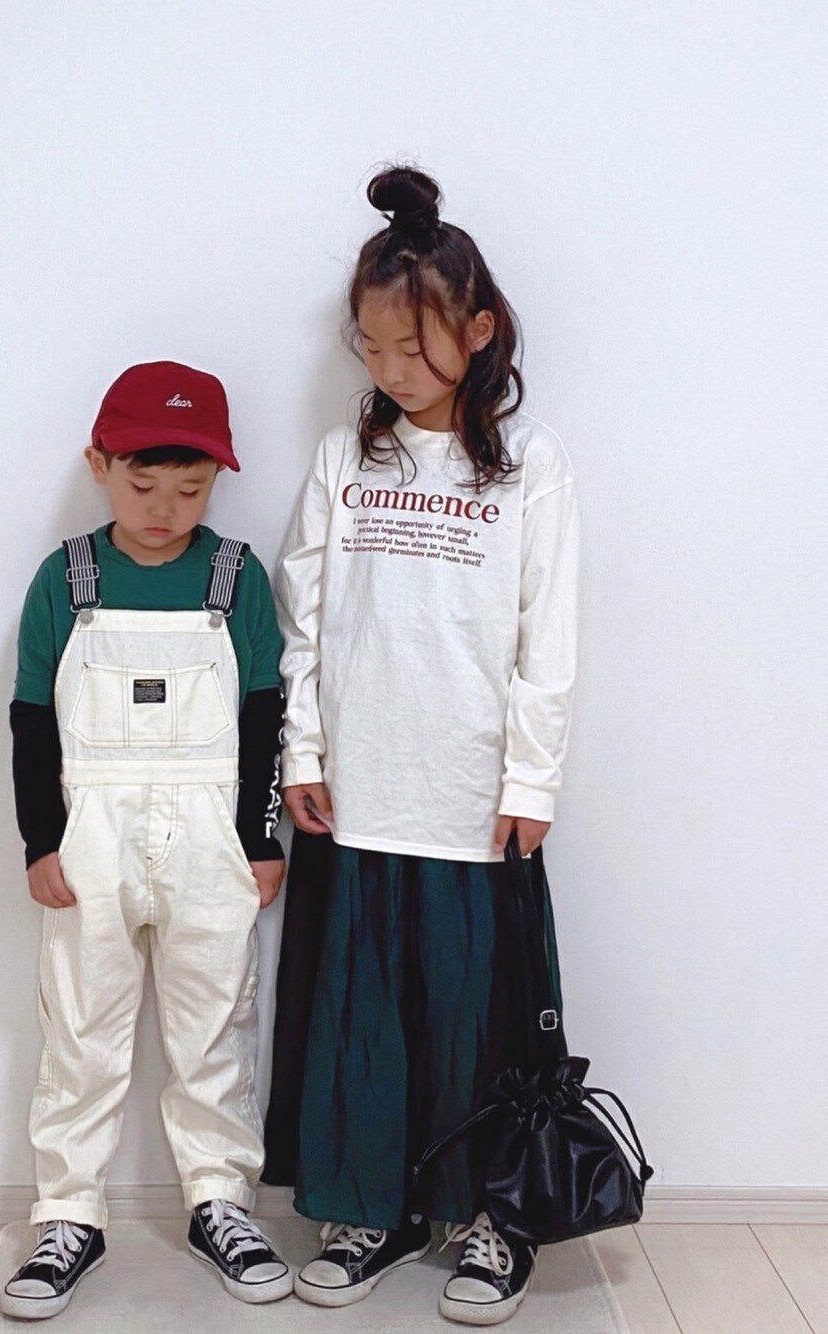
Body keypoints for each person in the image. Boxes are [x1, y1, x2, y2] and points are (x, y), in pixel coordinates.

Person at [267, 167, 579, 1326]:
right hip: (361, 789)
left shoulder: (530, 464)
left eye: (412, 345)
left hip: (472, 794)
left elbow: (548, 635)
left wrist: (531, 775)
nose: (390, 368)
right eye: (371, 346)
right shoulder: (346, 459)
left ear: (478, 330)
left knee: (476, 1013)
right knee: (365, 1014)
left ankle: (493, 1214)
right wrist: (302, 752)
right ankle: (373, 1206)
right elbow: (304, 616)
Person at [0, 361, 293, 1319]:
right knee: (81, 1028)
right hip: (90, 832)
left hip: (214, 832)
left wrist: (261, 838)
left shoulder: (235, 578)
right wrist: (40, 840)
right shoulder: (67, 578)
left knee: (215, 1026)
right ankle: (68, 1214)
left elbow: (265, 711)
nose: (165, 509)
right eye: (142, 483)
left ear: (218, 482)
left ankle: (219, 1201)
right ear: (100, 465)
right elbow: (31, 715)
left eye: (191, 488)